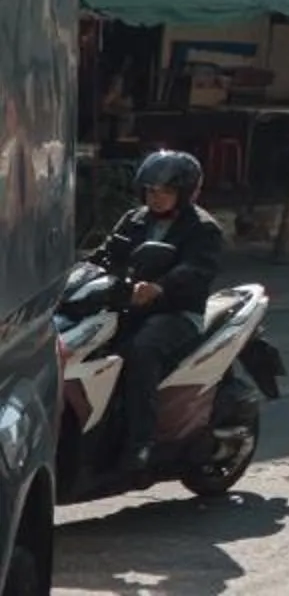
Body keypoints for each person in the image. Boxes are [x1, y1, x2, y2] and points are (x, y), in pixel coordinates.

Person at [92, 149, 224, 473]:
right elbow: (106, 254)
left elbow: (196, 269)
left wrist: (160, 287)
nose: (156, 197)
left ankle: (142, 442)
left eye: (165, 191)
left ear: (184, 193)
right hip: (130, 307)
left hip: (178, 313)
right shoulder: (134, 220)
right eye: (151, 190)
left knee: (142, 350)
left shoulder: (203, 228)